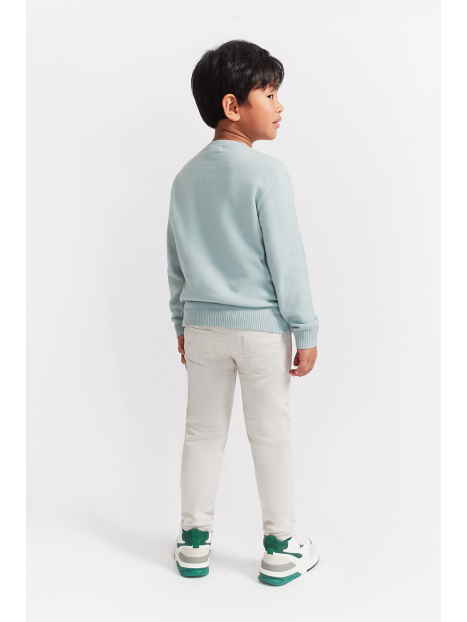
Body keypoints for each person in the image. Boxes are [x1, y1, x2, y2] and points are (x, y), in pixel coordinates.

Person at [166, 40, 319, 586]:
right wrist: (305, 327)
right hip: (260, 333)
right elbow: (287, 260)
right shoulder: (266, 174)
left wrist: (181, 325)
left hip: (202, 330)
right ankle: (280, 548)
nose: (280, 106)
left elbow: (176, 261)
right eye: (270, 94)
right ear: (233, 106)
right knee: (270, 436)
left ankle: (194, 542)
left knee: (201, 434)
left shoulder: (185, 177)